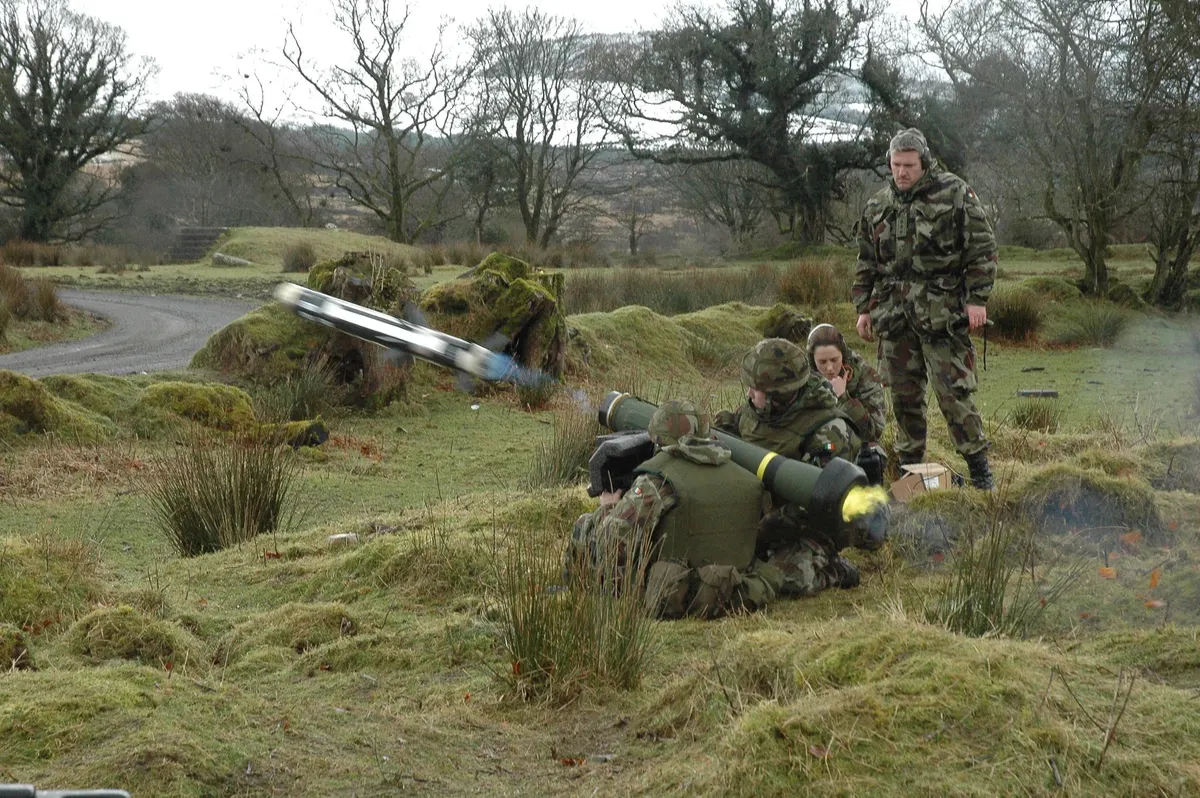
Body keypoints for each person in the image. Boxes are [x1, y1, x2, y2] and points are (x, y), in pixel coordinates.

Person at [851, 127, 998, 489]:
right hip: (893, 316)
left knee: (954, 396)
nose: (901, 172)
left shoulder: (955, 193)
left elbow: (982, 248)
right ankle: (908, 470)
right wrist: (863, 307)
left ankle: (980, 471)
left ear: (924, 163)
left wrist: (977, 299)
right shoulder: (877, 205)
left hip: (943, 314)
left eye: (909, 165)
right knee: (903, 396)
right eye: (896, 164)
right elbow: (866, 261)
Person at [566, 399, 782, 619]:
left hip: (676, 599)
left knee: (585, 525)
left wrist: (608, 507)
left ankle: (576, 591)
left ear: (658, 439)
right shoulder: (749, 480)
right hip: (737, 594)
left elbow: (613, 542)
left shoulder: (659, 481)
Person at [713, 338, 863, 594]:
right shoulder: (758, 410)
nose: (749, 394)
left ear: (778, 395)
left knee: (789, 579)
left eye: (755, 389)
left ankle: (833, 569)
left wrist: (759, 532)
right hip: (754, 514)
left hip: (806, 526)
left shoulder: (830, 431)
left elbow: (818, 505)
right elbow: (733, 430)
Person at [806, 323, 888, 444]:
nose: (829, 368)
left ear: (843, 356)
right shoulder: (803, 377)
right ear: (812, 361)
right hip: (819, 446)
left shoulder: (865, 376)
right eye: (822, 362)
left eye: (834, 360)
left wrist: (844, 398)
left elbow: (873, 433)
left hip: (853, 445)